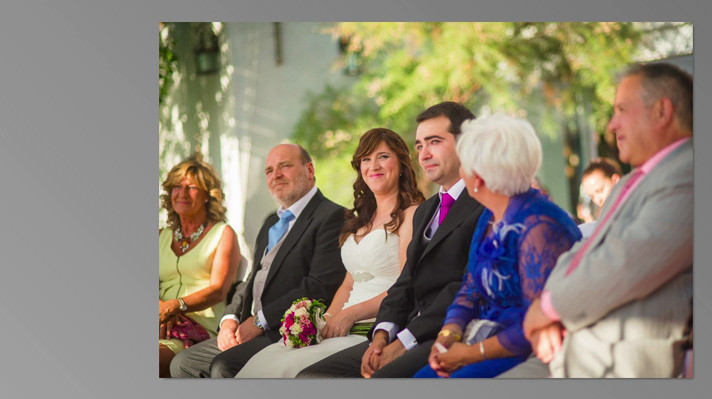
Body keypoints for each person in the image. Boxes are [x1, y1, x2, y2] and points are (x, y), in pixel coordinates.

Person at [518, 62, 693, 378]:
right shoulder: (628, 183)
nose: (611, 125)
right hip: (575, 349)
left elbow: (624, 264)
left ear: (662, 112)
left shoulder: (689, 173)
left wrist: (547, 309)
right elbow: (576, 256)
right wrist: (548, 311)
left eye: (622, 110)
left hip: (619, 361)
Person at [296, 101, 484, 378]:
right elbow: (406, 283)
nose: (424, 154)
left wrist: (404, 340)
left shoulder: (484, 204)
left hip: (449, 330)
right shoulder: (428, 210)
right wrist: (383, 334)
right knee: (308, 376)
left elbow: (464, 285)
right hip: (401, 328)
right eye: (420, 145)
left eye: (434, 142)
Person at [236, 128, 424, 377]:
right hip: (342, 323)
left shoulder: (412, 214)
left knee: (294, 372)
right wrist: (325, 320)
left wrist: (350, 315)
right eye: (366, 159)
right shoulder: (361, 219)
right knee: (264, 363)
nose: (373, 166)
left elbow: (405, 285)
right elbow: (348, 284)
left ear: (401, 163)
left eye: (383, 157)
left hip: (375, 326)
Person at [413, 114, 582, 378]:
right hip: (478, 336)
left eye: (464, 165)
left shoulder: (540, 226)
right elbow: (470, 285)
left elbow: (537, 321)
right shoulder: (489, 215)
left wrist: (469, 353)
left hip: (524, 350)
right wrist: (448, 333)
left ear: (478, 178)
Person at [170, 144, 347, 378]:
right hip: (246, 328)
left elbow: (319, 286)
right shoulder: (271, 221)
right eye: (269, 171)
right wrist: (229, 320)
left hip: (284, 330)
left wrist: (260, 322)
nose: (276, 175)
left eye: (285, 166)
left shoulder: (333, 216)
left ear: (310, 170)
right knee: (183, 363)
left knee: (223, 366)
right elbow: (252, 278)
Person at [159, 156, 241, 378]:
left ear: (207, 195)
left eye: (192, 187)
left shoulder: (223, 234)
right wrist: (161, 307)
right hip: (161, 322)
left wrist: (177, 305)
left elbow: (219, 290)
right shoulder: (160, 236)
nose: (182, 193)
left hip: (198, 330)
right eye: (177, 186)